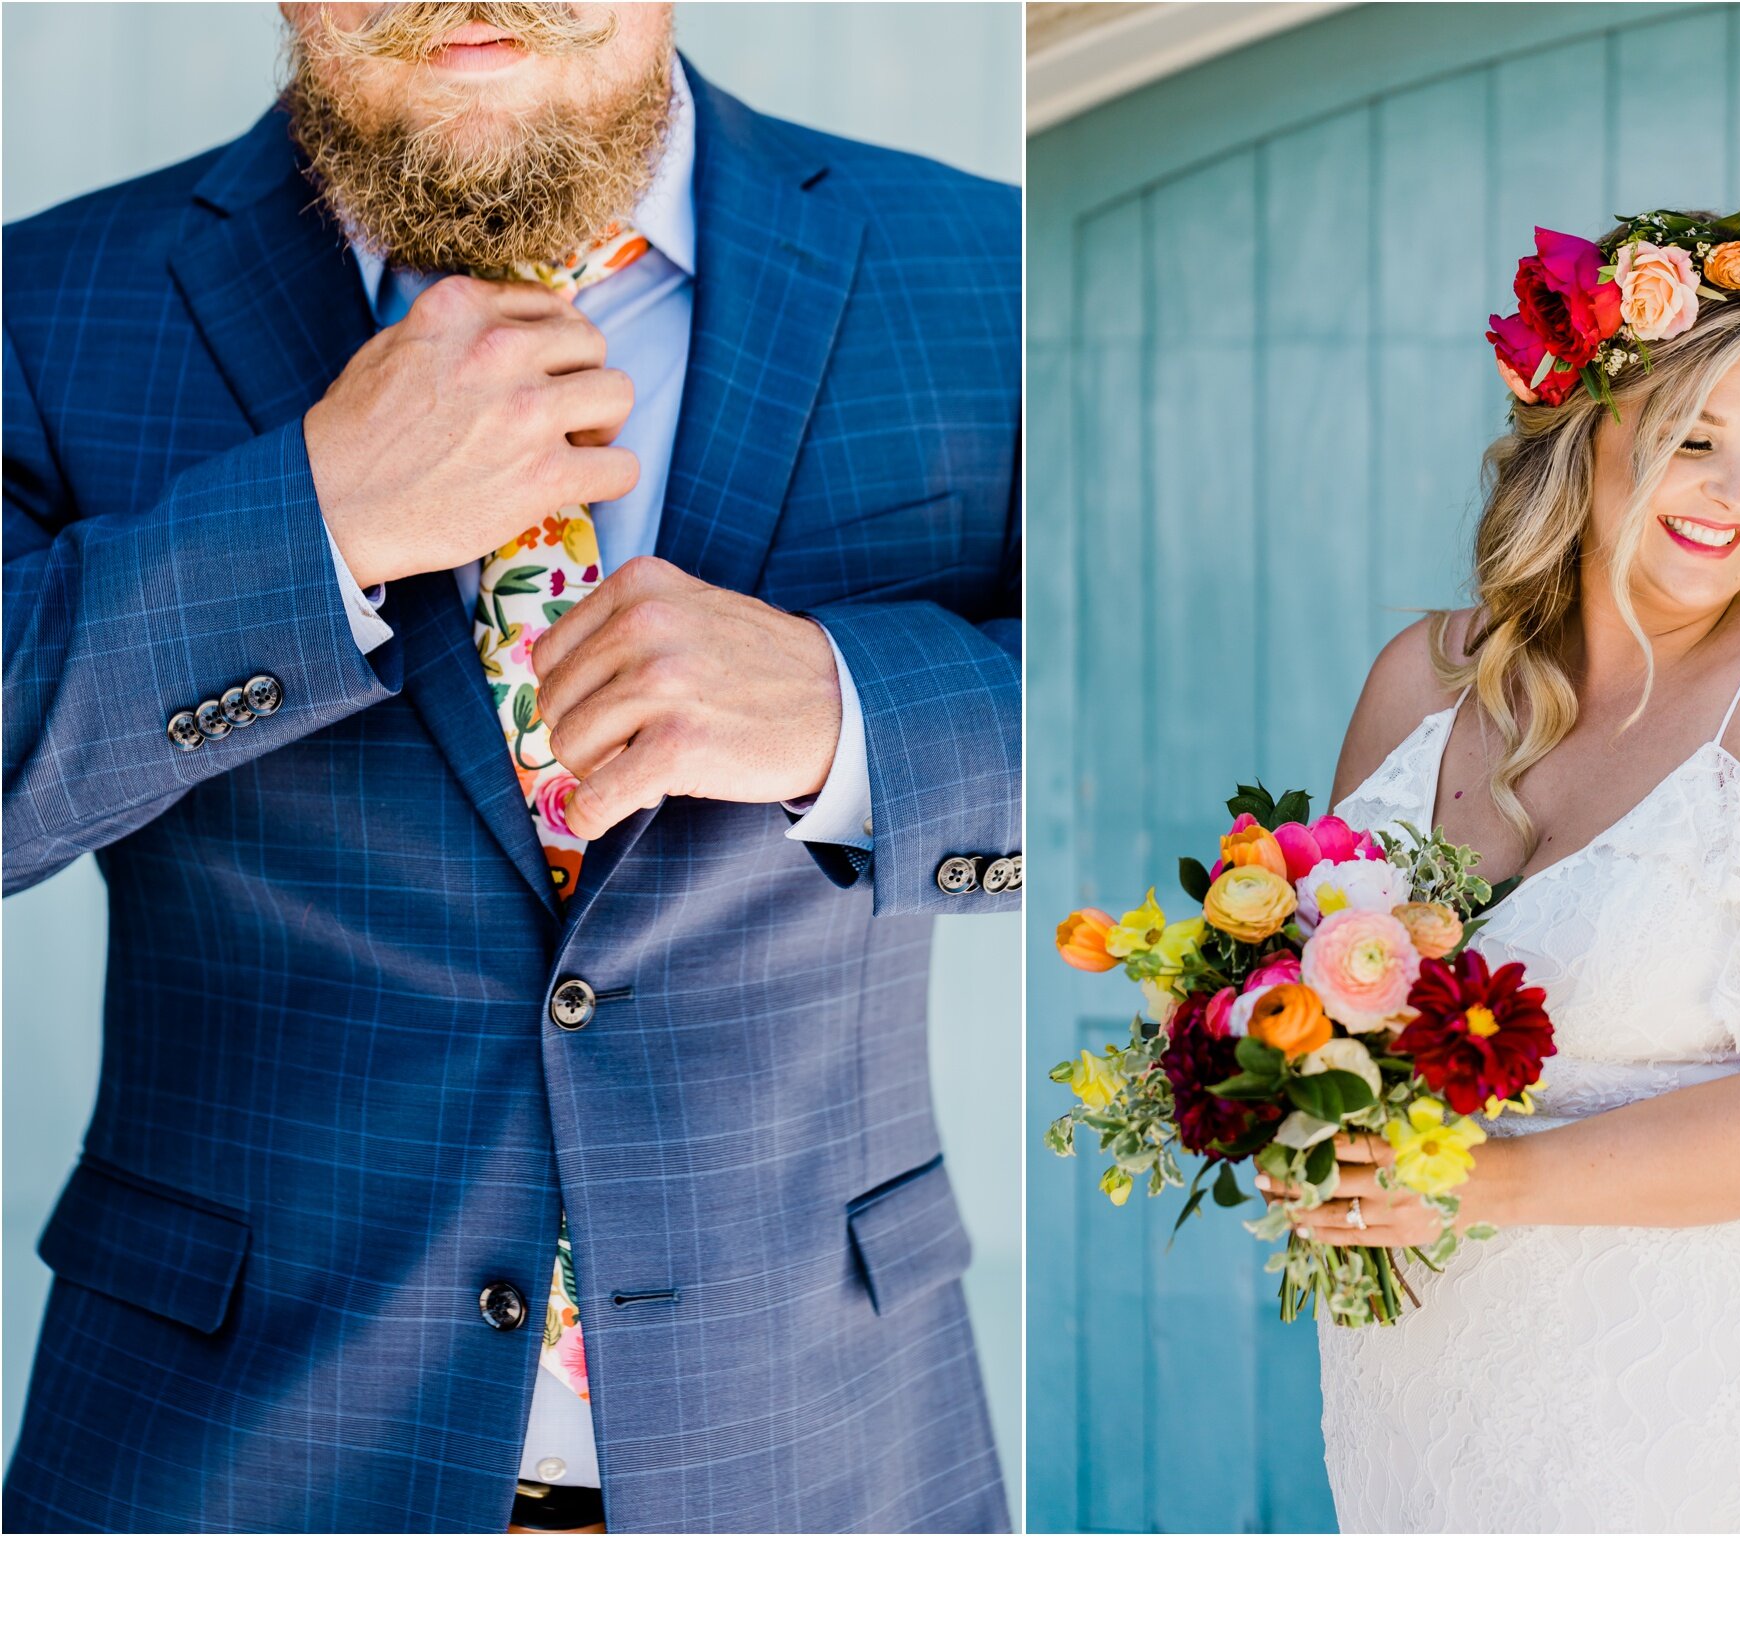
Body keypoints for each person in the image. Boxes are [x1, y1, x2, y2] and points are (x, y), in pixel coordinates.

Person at [2, 2, 1019, 1533]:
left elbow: (1160, 748)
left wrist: (850, 712)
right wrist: (314, 521)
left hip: (828, 1455)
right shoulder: (45, 302)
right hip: (225, 1472)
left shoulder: (984, 271)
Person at [1288, 210, 1740, 1531]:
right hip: (1413, 1356)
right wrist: (1298, 1122)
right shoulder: (1422, 678)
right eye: (1689, 440)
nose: (1733, 494)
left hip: (1655, 1365)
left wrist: (1492, 1184)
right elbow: (1319, 1000)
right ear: (1580, 429)